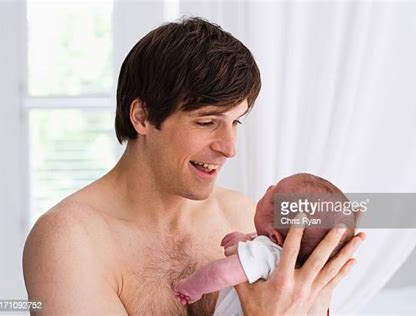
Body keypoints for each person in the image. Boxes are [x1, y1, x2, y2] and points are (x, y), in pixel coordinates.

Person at [23, 17, 365, 315]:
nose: (229, 148)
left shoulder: (241, 214)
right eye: (207, 122)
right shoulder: (69, 240)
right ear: (142, 117)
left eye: (236, 123)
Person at [174, 173, 358, 314]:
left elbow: (220, 273)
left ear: (275, 238)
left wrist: (191, 288)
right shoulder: (301, 275)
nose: (269, 188)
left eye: (274, 197)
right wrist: (241, 242)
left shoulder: (267, 253)